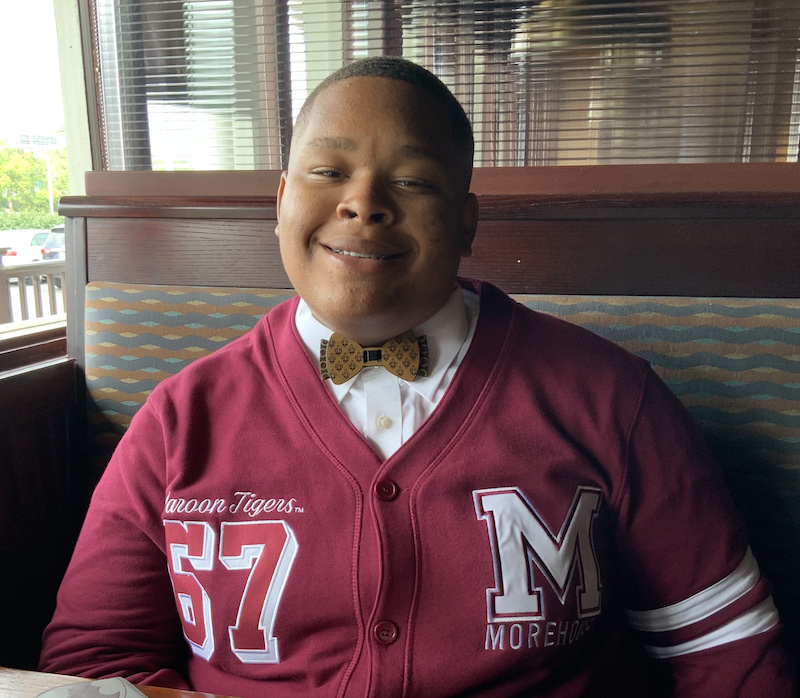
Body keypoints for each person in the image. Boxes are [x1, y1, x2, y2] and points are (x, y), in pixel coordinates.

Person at [40, 57, 793, 697]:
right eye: (329, 171)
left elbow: (727, 655)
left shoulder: (613, 398)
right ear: (280, 203)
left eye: (414, 181)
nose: (363, 203)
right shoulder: (178, 419)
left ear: (466, 222)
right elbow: (94, 663)